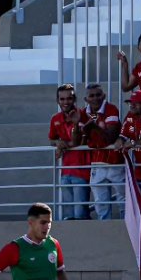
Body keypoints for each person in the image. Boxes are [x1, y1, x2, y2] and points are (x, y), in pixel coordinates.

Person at [76, 84, 123, 221]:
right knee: (100, 202)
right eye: (92, 95)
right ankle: (105, 230)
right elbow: (80, 141)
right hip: (97, 162)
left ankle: (127, 227)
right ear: (86, 99)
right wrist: (76, 126)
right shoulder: (83, 113)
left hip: (116, 162)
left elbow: (110, 138)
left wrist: (93, 127)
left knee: (123, 199)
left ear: (104, 96)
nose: (95, 98)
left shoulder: (111, 109)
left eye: (98, 95)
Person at [48, 84, 91, 221]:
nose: (66, 102)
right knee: (70, 217)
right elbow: (51, 139)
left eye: (69, 98)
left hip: (81, 170)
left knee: (80, 215)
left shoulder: (84, 116)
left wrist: (64, 144)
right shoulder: (55, 118)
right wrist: (57, 143)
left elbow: (78, 142)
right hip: (65, 172)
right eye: (62, 99)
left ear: (75, 99)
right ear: (57, 100)